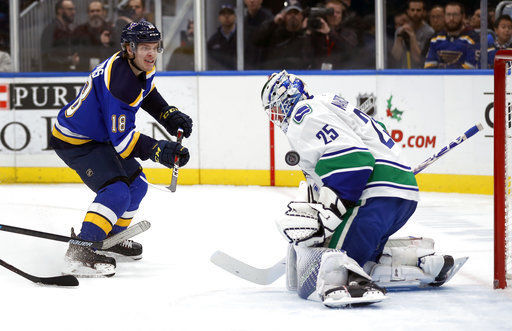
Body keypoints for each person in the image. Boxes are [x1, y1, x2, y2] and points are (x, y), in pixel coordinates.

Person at [260, 70, 458, 307]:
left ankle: (351, 283)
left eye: (276, 108)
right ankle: (421, 262)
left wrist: (330, 210)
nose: (277, 116)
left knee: (330, 260)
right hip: (401, 194)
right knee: (364, 259)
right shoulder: (328, 102)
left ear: (288, 98)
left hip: (374, 195)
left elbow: (355, 160)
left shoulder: (303, 115)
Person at [49, 20, 193, 277]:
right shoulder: (120, 84)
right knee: (116, 192)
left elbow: (146, 91)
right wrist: (160, 150)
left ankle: (112, 237)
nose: (151, 53)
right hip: (75, 141)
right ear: (129, 48)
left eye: (155, 47)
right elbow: (124, 143)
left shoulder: (136, 65)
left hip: (98, 136)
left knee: (137, 185)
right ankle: (82, 249)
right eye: (144, 47)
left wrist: (167, 114)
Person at [253, 3, 312, 70]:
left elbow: (310, 59)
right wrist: (273, 23)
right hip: (277, 74)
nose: (293, 16)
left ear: (302, 17)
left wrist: (306, 32)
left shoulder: (306, 35)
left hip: (302, 75)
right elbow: (256, 41)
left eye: (296, 13)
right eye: (289, 13)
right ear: (284, 17)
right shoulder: (276, 35)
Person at [424, 2, 478, 69]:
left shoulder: (473, 38)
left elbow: (470, 67)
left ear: (463, 16)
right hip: (439, 78)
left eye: (455, 15)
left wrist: (443, 69)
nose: (451, 18)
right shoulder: (436, 39)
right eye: (448, 15)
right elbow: (429, 66)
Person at [308, 0, 358, 70]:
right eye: (331, 12)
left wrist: (329, 32)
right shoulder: (316, 32)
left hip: (341, 74)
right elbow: (306, 55)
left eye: (338, 12)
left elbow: (350, 50)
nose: (334, 15)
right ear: (325, 13)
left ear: (342, 15)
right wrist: (307, 31)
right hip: (316, 74)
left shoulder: (348, 33)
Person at [73, 1, 115, 71]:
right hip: (83, 73)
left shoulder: (111, 30)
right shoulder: (79, 30)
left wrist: (106, 44)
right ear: (88, 13)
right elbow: (76, 55)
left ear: (104, 12)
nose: (95, 13)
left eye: (98, 11)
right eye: (92, 11)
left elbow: (115, 55)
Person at [391, 0, 434, 68]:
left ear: (423, 12)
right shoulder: (400, 30)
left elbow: (419, 59)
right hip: (403, 72)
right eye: (412, 10)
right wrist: (399, 38)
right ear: (408, 11)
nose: (415, 13)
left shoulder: (429, 32)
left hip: (421, 72)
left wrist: (412, 36)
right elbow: (395, 57)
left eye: (418, 10)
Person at [40, 0, 79, 71]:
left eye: (74, 9)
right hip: (54, 77)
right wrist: (69, 60)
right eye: (70, 9)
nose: (73, 12)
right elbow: (47, 57)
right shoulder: (51, 29)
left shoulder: (68, 30)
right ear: (59, 11)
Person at [244, 0, 273, 69]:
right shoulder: (243, 21)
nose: (252, 1)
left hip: (266, 65)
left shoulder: (269, 19)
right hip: (248, 65)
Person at [207, 4, 237, 70]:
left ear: (235, 16)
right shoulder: (213, 41)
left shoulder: (243, 38)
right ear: (219, 17)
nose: (226, 16)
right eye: (223, 14)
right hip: (219, 76)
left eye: (230, 13)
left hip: (241, 76)